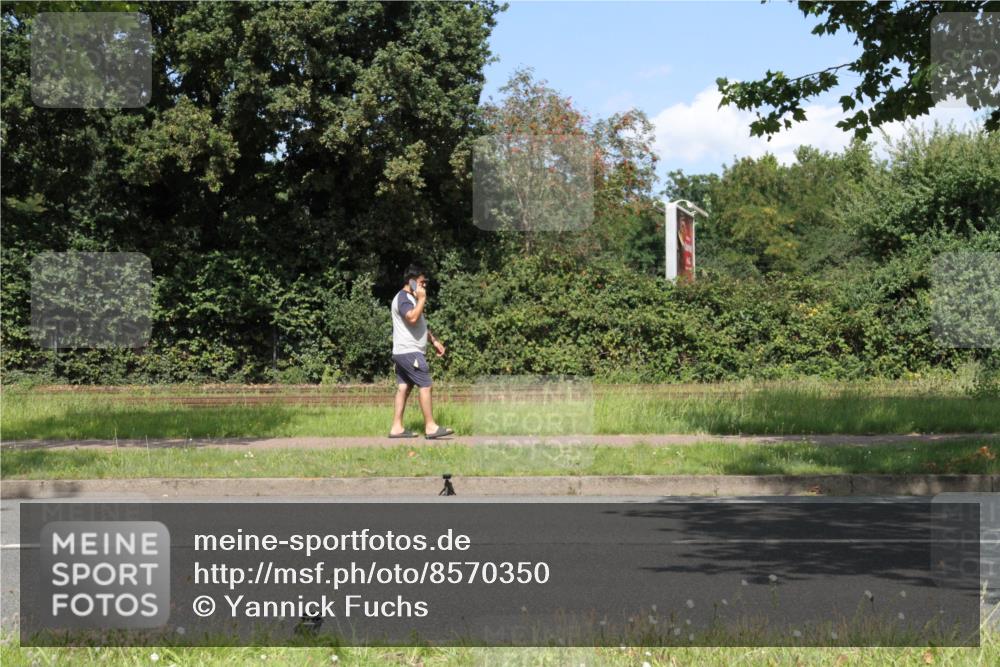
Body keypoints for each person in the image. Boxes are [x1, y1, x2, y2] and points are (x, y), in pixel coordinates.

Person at [388, 264, 453, 439]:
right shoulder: (403, 298)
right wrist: (422, 299)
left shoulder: (411, 299)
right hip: (410, 351)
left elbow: (419, 325)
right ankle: (430, 427)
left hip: (404, 351)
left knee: (404, 388)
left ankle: (397, 427)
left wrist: (434, 341)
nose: (424, 286)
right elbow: (412, 317)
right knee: (426, 385)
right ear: (412, 282)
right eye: (422, 282)